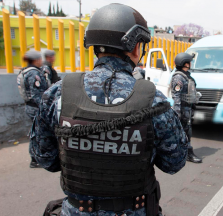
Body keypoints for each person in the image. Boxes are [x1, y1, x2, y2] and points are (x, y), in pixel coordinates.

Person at [30, 4, 188, 216]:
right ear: (134, 48)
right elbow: (174, 162)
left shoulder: (57, 94)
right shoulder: (153, 100)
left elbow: (44, 158)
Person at [17, 50, 48, 168]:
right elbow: (37, 95)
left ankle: (36, 157)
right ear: (36, 60)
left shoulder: (25, 71)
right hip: (35, 108)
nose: (41, 61)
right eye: (40, 59)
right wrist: (45, 108)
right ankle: (35, 159)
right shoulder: (33, 74)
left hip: (31, 107)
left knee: (36, 132)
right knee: (37, 133)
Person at [171, 53, 202, 163]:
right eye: (189, 62)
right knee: (184, 133)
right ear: (184, 63)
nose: (190, 63)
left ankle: (181, 153)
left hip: (188, 109)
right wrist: (178, 113)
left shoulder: (187, 76)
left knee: (186, 132)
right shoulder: (178, 78)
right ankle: (188, 153)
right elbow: (176, 96)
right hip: (183, 110)